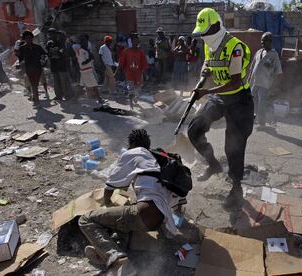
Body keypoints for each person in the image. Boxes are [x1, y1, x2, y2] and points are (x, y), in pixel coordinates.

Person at [78, 129, 183, 271]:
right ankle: (118, 255)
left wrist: (107, 205)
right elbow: (176, 201)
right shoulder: (157, 160)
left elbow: (111, 184)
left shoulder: (135, 152)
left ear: (132, 144)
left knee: (86, 220)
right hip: (159, 221)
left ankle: (113, 257)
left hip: (144, 213)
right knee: (122, 223)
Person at [187, 8, 254, 207]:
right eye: (201, 32)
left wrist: (206, 92)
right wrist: (204, 74)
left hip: (239, 99)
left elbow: (234, 82)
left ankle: (236, 187)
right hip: (220, 97)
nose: (203, 36)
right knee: (194, 129)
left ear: (216, 26)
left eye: (206, 31)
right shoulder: (209, 46)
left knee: (233, 145)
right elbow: (208, 66)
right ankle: (214, 166)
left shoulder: (235, 47)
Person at [249, 32, 282, 130]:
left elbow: (278, 72)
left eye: (264, 41)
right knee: (251, 101)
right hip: (254, 82)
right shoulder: (259, 52)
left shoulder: (274, 55)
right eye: (261, 41)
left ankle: (262, 124)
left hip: (265, 83)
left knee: (262, 103)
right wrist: (248, 78)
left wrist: (274, 86)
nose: (262, 43)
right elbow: (252, 66)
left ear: (270, 42)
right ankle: (253, 119)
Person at [17, 31, 47, 107]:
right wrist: (19, 66)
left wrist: (43, 61)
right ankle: (36, 99)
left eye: (30, 38)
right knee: (33, 84)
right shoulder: (22, 48)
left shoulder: (37, 47)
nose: (29, 40)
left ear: (32, 38)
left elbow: (44, 55)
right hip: (28, 69)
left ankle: (36, 99)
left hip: (38, 68)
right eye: (27, 38)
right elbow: (20, 60)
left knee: (35, 84)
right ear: (24, 39)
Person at [118, 33, 148, 109]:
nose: (136, 43)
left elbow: (144, 64)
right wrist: (118, 72)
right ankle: (131, 102)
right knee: (130, 89)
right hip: (129, 74)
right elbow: (121, 62)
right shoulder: (126, 51)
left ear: (138, 43)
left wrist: (145, 74)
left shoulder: (141, 52)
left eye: (137, 42)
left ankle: (135, 98)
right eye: (134, 41)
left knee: (137, 88)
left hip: (138, 74)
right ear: (131, 42)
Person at [75, 35, 105, 105]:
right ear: (81, 43)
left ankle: (75, 99)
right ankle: (100, 100)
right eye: (84, 41)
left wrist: (90, 57)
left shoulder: (85, 50)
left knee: (81, 86)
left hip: (86, 70)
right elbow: (83, 63)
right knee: (94, 85)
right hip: (86, 70)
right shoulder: (80, 51)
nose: (86, 43)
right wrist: (90, 58)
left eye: (86, 41)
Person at [46, 28, 74, 101]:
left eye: (52, 34)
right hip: (54, 65)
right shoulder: (49, 43)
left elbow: (63, 52)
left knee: (64, 81)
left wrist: (57, 52)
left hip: (61, 65)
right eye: (50, 34)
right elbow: (48, 54)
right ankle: (58, 96)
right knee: (56, 82)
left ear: (56, 34)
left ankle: (67, 95)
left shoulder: (61, 42)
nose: (51, 35)